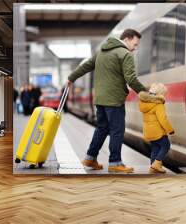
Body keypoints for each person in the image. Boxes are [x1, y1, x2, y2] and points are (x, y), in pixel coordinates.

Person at [68, 29, 147, 173]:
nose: (135, 48)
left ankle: (90, 158)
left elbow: (86, 66)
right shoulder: (125, 54)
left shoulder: (101, 52)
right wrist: (145, 92)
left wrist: (71, 78)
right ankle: (115, 162)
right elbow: (131, 78)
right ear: (127, 39)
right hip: (114, 100)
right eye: (135, 44)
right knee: (117, 130)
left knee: (102, 128)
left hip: (100, 99)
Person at [138, 83, 174, 174]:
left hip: (149, 132)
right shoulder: (158, 104)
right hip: (158, 132)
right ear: (160, 94)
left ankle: (153, 168)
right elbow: (163, 119)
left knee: (155, 148)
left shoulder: (145, 103)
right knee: (166, 145)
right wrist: (170, 130)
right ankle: (156, 165)